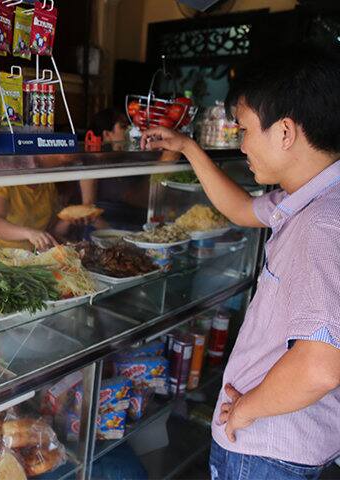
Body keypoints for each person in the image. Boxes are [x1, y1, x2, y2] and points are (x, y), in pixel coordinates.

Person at [142, 46, 340, 479]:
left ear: (285, 132)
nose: (241, 143)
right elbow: (241, 210)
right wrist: (188, 147)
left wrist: (247, 410)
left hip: (269, 451)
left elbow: (320, 366)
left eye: (245, 129)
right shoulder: (310, 197)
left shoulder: (323, 224)